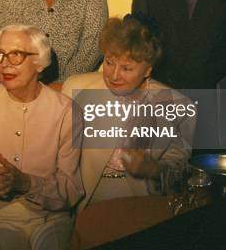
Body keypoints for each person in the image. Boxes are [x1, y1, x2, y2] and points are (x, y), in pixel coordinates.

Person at [0, 24, 84, 250]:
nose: (5, 64)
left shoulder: (66, 112)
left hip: (51, 218)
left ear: (40, 63)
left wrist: (26, 183)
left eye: (16, 55)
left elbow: (71, 189)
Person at [62, 16, 195, 208]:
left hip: (142, 199)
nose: (114, 75)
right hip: (84, 197)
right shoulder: (77, 89)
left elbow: (180, 177)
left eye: (126, 68)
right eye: (109, 63)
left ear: (148, 70)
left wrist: (154, 170)